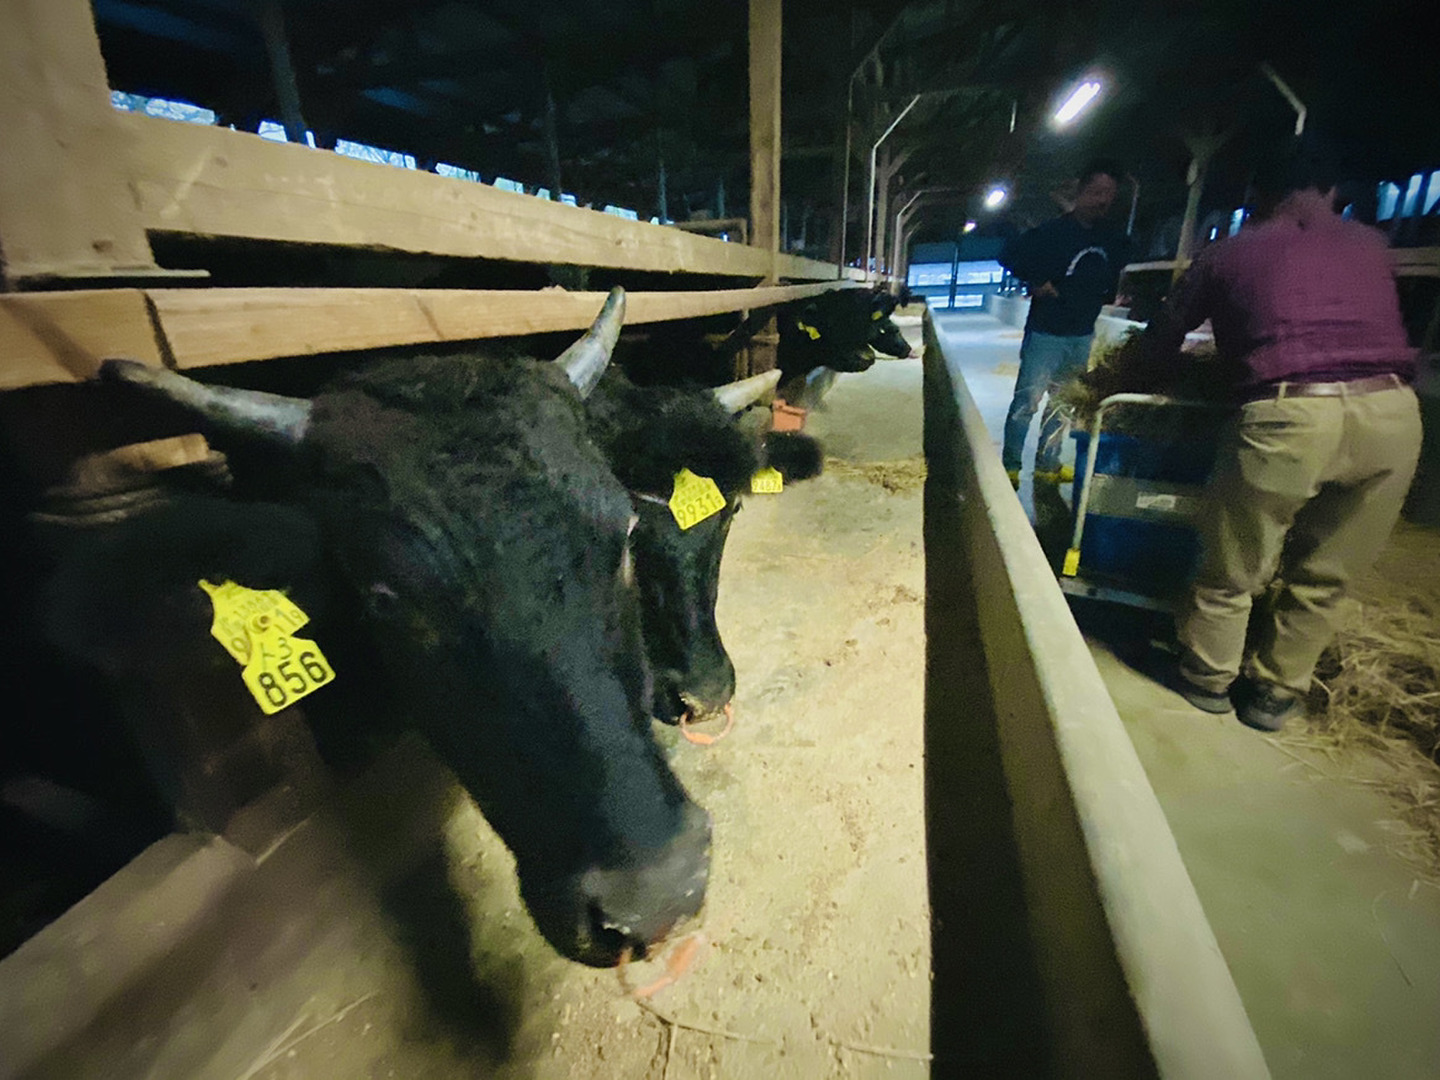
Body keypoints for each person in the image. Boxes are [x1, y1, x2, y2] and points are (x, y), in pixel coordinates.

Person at [1140, 148, 1421, 732]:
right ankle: (1273, 692)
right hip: (1392, 414)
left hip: (1291, 414)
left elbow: (1165, 334)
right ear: (1331, 191)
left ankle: (1208, 676)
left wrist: (1149, 376)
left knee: (1235, 562)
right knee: (1326, 573)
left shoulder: (1229, 252)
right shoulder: (1372, 245)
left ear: (1258, 195)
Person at [999, 160, 1134, 487]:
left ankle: (1048, 464)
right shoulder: (1053, 232)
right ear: (1081, 192)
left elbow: (1123, 260)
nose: (1103, 200)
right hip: (1046, 332)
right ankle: (1010, 466)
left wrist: (1113, 291)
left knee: (1063, 405)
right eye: (1097, 192)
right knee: (1027, 402)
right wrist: (1035, 280)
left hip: (1082, 333)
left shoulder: (1110, 237)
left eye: (1109, 194)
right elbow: (1008, 254)